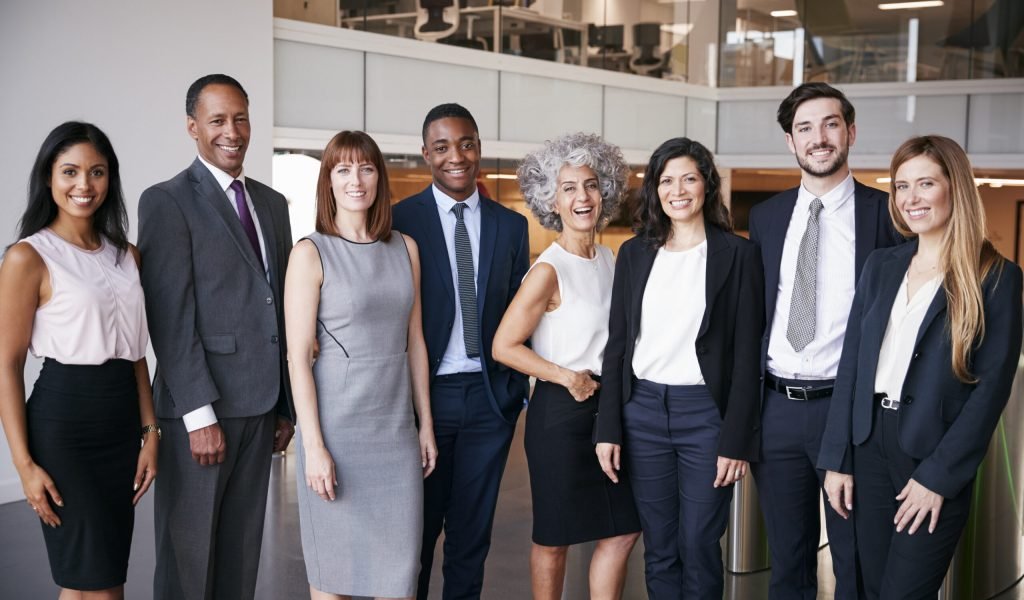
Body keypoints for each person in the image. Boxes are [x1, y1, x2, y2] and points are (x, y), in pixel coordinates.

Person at [818, 135, 1023, 599]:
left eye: (925, 183)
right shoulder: (881, 265)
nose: (911, 198)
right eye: (901, 186)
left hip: (931, 453)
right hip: (867, 446)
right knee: (866, 587)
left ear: (955, 188)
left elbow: (990, 391)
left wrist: (939, 478)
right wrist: (837, 459)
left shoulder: (996, 277)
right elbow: (852, 368)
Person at [138, 74, 295, 600]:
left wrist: (285, 406)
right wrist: (198, 415)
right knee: (188, 563)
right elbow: (169, 316)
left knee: (240, 555)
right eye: (218, 120)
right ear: (193, 127)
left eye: (241, 118)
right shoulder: (166, 201)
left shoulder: (272, 204)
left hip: (261, 406)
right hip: (201, 411)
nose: (233, 131)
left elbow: (278, 306)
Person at [747, 82, 903, 600]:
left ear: (850, 132)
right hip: (776, 409)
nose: (819, 138)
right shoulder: (766, 217)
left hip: (851, 411)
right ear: (790, 141)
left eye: (830, 124)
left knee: (854, 559)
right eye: (805, 128)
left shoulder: (887, 215)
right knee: (787, 562)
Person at [594, 137, 764, 599]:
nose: (678, 190)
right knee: (660, 547)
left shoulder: (739, 255)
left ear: (706, 185)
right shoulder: (635, 253)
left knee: (699, 543)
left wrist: (736, 438)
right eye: (666, 181)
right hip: (643, 412)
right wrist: (608, 428)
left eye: (689, 178)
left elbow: (747, 355)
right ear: (655, 189)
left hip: (705, 415)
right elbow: (617, 346)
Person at [0, 121, 157, 599]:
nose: (84, 185)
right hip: (65, 427)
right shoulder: (28, 257)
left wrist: (151, 432)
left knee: (96, 579)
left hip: (121, 426)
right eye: (69, 171)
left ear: (110, 178)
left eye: (97, 172)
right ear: (48, 178)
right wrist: (24, 465)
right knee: (97, 582)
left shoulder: (127, 257)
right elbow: (6, 364)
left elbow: (136, 354)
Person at [284, 130, 437, 599]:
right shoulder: (310, 253)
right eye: (344, 169)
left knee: (400, 581)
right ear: (329, 181)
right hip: (337, 436)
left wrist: (425, 425)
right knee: (334, 582)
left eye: (366, 169)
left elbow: (415, 342)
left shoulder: (405, 249)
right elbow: (297, 359)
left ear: (379, 179)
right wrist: (314, 447)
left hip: (394, 436)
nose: (356, 180)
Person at [492, 132, 641, 600]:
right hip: (561, 414)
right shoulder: (547, 270)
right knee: (554, 538)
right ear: (551, 201)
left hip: (609, 412)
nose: (583, 197)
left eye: (591, 185)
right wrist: (564, 376)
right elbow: (503, 345)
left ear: (605, 192)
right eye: (569, 188)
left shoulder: (610, 259)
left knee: (623, 529)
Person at [392, 102, 530, 600]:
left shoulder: (510, 226)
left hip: (489, 400)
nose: (457, 156)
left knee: (471, 541)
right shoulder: (398, 220)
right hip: (423, 400)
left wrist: (514, 393)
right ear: (425, 153)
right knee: (415, 539)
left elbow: (521, 312)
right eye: (443, 146)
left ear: (479, 148)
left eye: (466, 144)